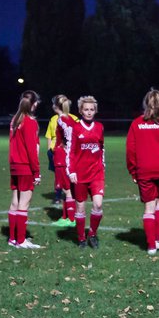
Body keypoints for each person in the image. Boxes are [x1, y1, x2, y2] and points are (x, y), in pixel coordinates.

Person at [126, 88, 159, 255]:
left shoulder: (137, 123)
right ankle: (158, 240)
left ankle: (150, 246)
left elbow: (130, 150)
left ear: (146, 104)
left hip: (144, 170)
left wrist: (133, 171)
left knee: (149, 208)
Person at [64, 95, 106, 248]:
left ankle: (92, 234)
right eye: (86, 109)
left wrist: (103, 165)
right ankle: (81, 238)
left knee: (98, 204)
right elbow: (71, 151)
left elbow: (102, 148)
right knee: (80, 207)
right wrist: (72, 171)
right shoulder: (75, 128)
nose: (89, 112)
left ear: (95, 111)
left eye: (92, 110)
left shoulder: (100, 127)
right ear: (81, 111)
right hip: (80, 174)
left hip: (96, 173)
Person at [8, 89, 43, 248]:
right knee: (24, 203)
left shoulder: (15, 120)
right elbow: (31, 150)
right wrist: (36, 172)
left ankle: (12, 239)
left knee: (15, 202)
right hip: (25, 167)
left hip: (15, 166)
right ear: (34, 104)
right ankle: (21, 240)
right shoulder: (30, 122)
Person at [45, 95, 77, 226]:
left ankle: (70, 219)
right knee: (68, 189)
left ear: (55, 106)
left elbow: (71, 138)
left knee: (67, 189)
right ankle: (66, 216)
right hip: (66, 157)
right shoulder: (69, 119)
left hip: (63, 158)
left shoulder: (61, 120)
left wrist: (63, 147)